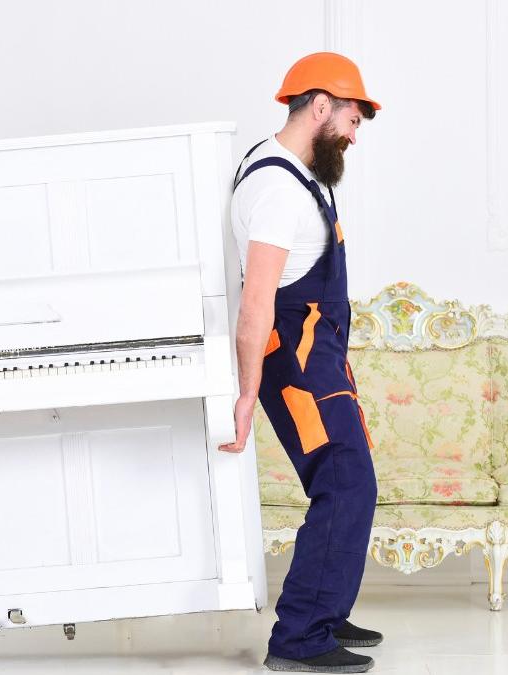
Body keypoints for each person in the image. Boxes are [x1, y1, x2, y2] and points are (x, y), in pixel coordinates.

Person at [217, 52, 383, 673]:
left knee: (347, 480)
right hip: (297, 368)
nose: (355, 134)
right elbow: (256, 300)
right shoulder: (279, 189)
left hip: (320, 361)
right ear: (320, 105)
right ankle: (300, 637)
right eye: (352, 118)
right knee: (345, 482)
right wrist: (244, 393)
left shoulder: (293, 172)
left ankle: (328, 611)